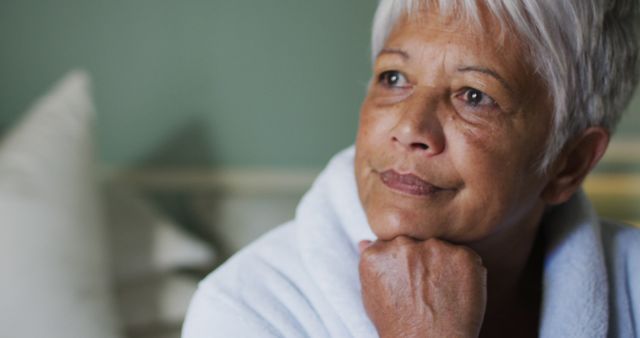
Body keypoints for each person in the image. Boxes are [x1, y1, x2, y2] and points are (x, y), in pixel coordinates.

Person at [182, 0, 640, 337]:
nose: (408, 127)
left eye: (474, 95)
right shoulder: (245, 310)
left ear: (569, 163)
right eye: (394, 78)